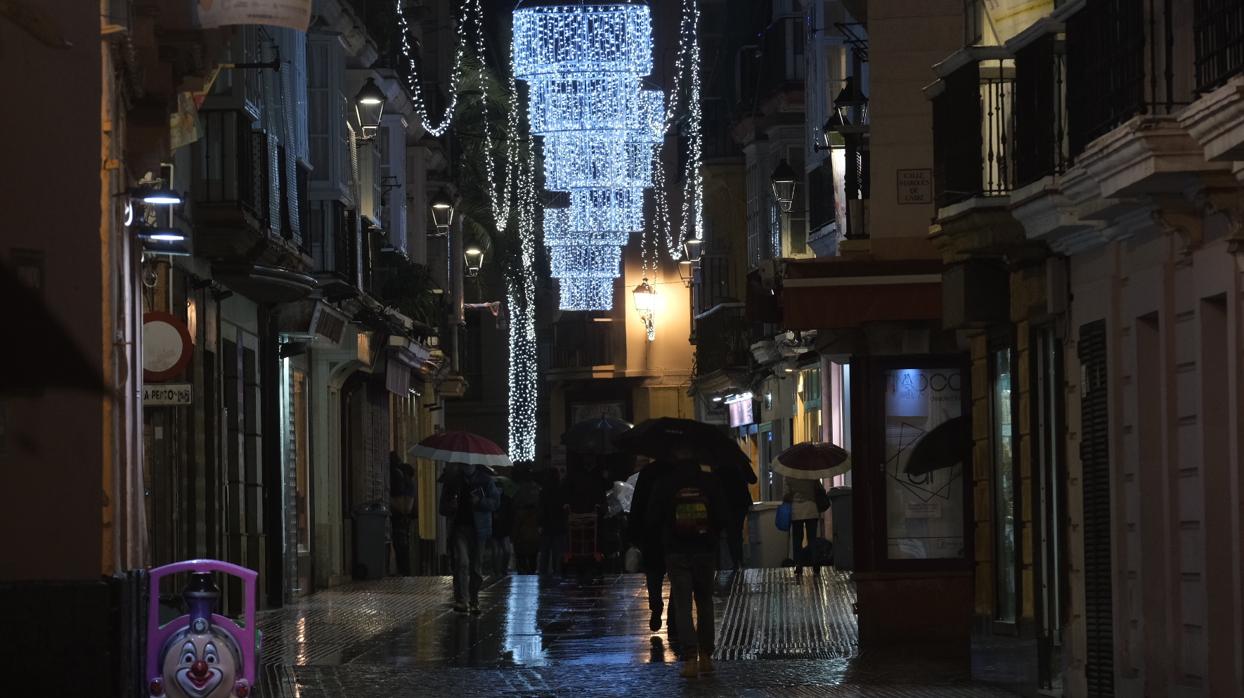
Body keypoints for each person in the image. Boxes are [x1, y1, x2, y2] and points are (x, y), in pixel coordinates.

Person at [647, 453, 728, 679]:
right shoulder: (709, 481)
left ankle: (690, 657)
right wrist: (711, 534)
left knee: (682, 603)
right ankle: (707, 657)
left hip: (676, 550)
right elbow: (722, 516)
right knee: (704, 601)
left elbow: (653, 518)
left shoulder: (666, 483)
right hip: (704, 550)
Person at [439, 462, 500, 613]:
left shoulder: (486, 480)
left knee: (475, 567)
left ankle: (474, 599)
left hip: (479, 529)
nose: (467, 466)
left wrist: (480, 501)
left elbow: (495, 503)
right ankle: (461, 600)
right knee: (461, 562)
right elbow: (442, 507)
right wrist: (450, 506)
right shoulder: (453, 481)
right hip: (459, 528)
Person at [628, 460, 675, 633]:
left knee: (654, 575)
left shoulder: (647, 473)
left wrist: (633, 533)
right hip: (674, 532)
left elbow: (637, 504)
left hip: (651, 532)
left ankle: (656, 606)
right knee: (676, 576)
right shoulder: (677, 471)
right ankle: (673, 614)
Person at [782, 477, 824, 578]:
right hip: (812, 509)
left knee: (797, 540)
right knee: (812, 539)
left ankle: (798, 565)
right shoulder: (811, 473)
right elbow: (819, 489)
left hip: (796, 512)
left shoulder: (789, 474)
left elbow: (785, 495)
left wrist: (793, 494)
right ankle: (815, 564)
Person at [715, 462, 753, 570]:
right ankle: (738, 561)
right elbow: (753, 479)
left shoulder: (718, 465)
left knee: (730, 533)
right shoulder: (740, 462)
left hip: (726, 502)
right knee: (736, 532)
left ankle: (733, 562)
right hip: (741, 502)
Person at [389, 451, 416, 576]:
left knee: (400, 545)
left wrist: (389, 501)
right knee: (403, 545)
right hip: (406, 518)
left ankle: (404, 572)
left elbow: (402, 504)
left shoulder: (397, 475)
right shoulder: (408, 480)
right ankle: (405, 572)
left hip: (398, 516)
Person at [537, 468, 569, 576]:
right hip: (559, 525)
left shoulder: (543, 491)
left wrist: (540, 524)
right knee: (558, 551)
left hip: (547, 524)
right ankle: (558, 571)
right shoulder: (562, 490)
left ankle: (543, 572)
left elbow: (541, 509)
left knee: (545, 552)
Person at [511, 466, 543, 573]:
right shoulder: (536, 488)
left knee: (522, 548)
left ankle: (523, 567)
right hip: (531, 522)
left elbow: (515, 503)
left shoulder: (519, 488)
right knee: (531, 547)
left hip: (524, 520)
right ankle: (530, 568)